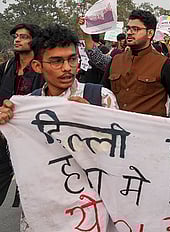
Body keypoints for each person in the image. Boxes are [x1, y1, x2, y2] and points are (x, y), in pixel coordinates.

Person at [0, 23, 118, 231]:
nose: (66, 68)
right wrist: (5, 125)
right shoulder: (25, 106)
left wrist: (94, 122)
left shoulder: (100, 98)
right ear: (37, 66)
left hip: (91, 213)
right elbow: (17, 156)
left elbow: (117, 158)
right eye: (56, 61)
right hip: (42, 214)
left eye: (72, 59)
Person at [102, 10, 170, 119]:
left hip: (151, 132)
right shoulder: (115, 61)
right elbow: (103, 94)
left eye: (136, 29)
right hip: (116, 129)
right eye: (128, 28)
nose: (129, 32)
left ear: (150, 33)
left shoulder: (165, 64)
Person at [0, 23, 43, 209]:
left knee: (31, 195)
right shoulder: (7, 66)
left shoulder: (43, 70)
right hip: (3, 136)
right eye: (16, 36)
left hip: (30, 140)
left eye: (24, 37)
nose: (17, 40)